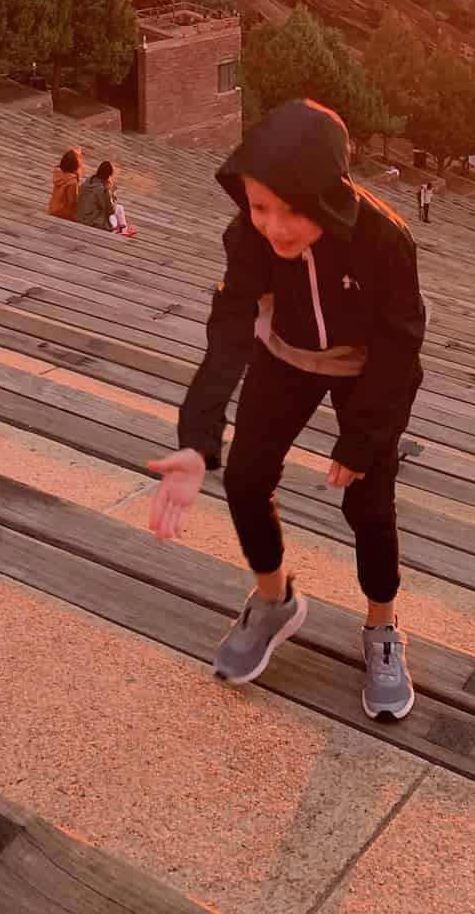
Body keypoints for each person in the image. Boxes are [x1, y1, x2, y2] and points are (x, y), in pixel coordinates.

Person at [147, 99, 425, 721]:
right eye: (260, 205)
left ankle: (383, 628)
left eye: (292, 209)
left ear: (327, 196)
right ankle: (274, 601)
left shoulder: (383, 240)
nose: (274, 226)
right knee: (245, 480)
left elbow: (402, 346)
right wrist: (197, 438)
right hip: (287, 355)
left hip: (365, 367)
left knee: (370, 503)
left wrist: (360, 440)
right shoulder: (248, 236)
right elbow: (229, 329)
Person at [76, 160, 137, 237]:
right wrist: (112, 191)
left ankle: (123, 228)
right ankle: (123, 229)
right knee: (119, 208)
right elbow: (110, 210)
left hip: (81, 216)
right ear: (109, 175)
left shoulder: (89, 181)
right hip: (92, 221)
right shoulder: (103, 190)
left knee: (116, 210)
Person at [49, 147, 83, 221]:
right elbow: (73, 202)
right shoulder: (72, 182)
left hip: (53, 208)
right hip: (63, 213)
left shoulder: (58, 173)